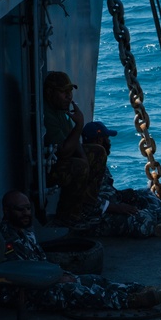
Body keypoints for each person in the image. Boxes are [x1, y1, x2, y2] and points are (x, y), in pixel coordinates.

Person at [0, 191, 161, 311]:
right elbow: (23, 273)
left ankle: (141, 289)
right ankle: (133, 301)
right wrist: (57, 279)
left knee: (93, 280)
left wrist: (60, 274)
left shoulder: (24, 231)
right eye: (20, 210)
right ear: (7, 211)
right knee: (81, 292)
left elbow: (38, 262)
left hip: (44, 280)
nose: (26, 214)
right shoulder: (10, 239)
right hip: (29, 293)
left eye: (28, 209)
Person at [78, 121, 161, 238]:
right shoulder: (84, 166)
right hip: (94, 219)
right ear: (99, 140)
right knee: (143, 218)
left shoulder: (98, 160)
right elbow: (85, 201)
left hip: (110, 203)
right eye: (107, 138)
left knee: (146, 195)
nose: (109, 142)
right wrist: (118, 207)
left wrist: (124, 196)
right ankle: (156, 227)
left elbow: (104, 190)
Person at [42, 71, 107, 228]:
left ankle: (87, 207)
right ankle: (68, 217)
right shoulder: (46, 114)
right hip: (47, 168)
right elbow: (63, 151)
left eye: (70, 92)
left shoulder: (60, 111)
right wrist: (79, 124)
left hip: (60, 159)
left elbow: (73, 141)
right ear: (50, 92)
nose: (69, 96)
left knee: (98, 152)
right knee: (79, 167)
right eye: (63, 92)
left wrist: (84, 157)